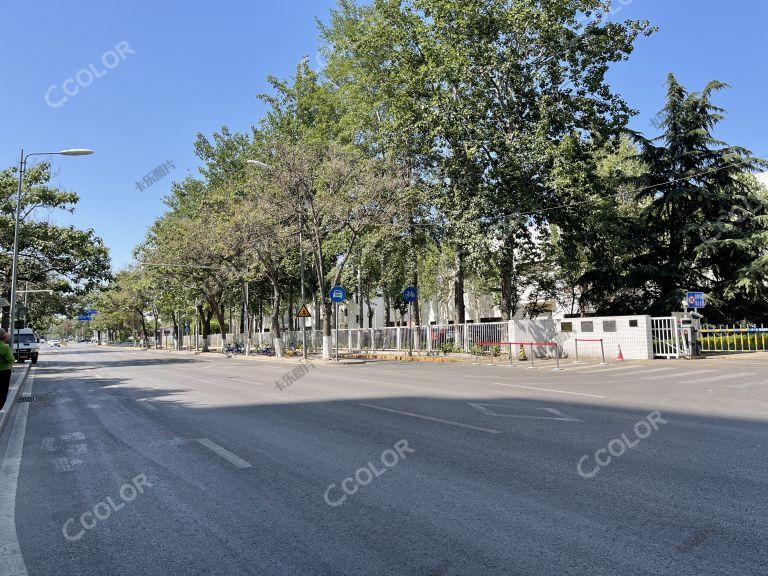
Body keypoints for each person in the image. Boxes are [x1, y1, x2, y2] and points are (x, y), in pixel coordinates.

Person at [0, 329, 14, 409]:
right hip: (4, 371)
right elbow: (11, 359)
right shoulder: (5, 347)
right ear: (4, 336)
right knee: (3, 391)